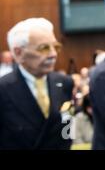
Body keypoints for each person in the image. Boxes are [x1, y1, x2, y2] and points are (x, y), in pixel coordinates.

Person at [0, 18, 73, 149]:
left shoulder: (64, 83)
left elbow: (67, 131)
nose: (53, 54)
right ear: (18, 53)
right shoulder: (3, 89)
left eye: (56, 47)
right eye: (44, 48)